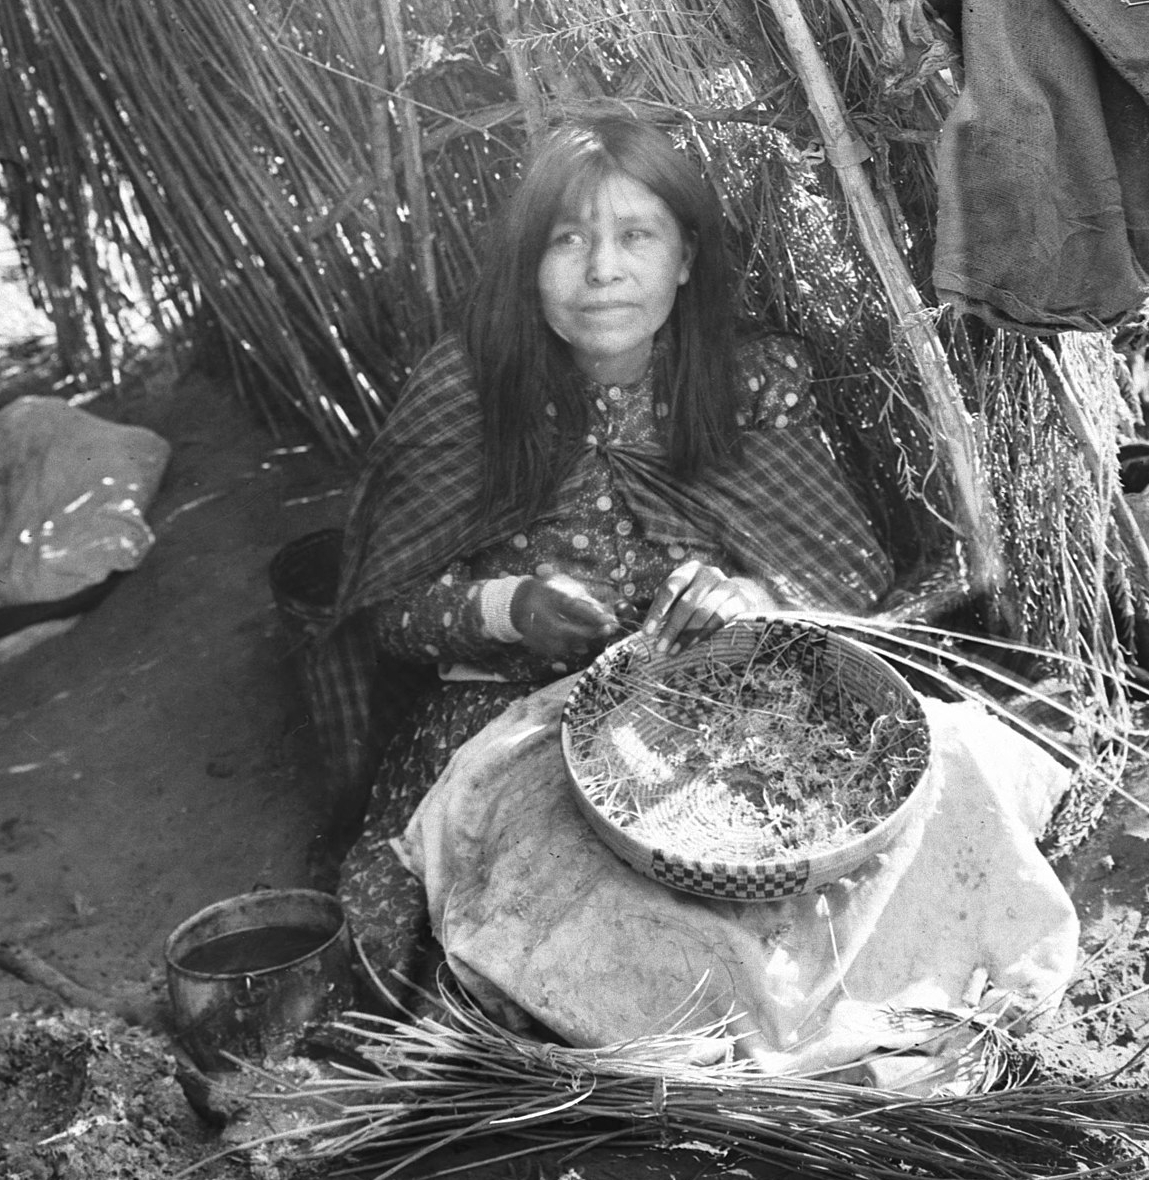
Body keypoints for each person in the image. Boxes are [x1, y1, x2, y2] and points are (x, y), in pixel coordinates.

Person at [317, 113, 892, 979]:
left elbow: (842, 573)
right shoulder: (468, 393)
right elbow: (388, 610)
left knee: (803, 878)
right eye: (568, 240)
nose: (603, 270)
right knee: (462, 940)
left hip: (719, 714)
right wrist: (508, 607)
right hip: (509, 724)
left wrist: (751, 598)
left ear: (685, 258)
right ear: (529, 263)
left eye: (636, 236)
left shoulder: (751, 381)